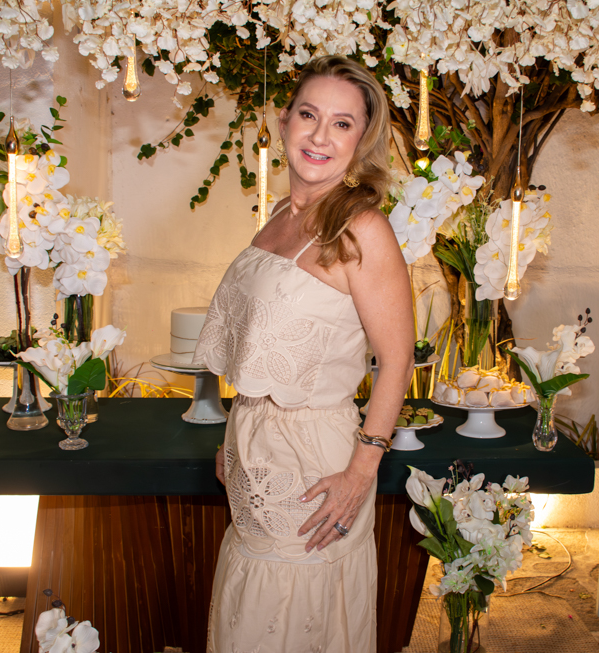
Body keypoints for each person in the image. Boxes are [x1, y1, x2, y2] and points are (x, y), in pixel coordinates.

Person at [192, 54, 414, 653]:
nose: (320, 136)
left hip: (316, 461)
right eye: (309, 116)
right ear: (284, 120)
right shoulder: (278, 217)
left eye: (342, 124)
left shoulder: (362, 228)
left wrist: (360, 472)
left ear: (361, 140)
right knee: (251, 614)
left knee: (294, 614)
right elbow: (263, 351)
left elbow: (397, 360)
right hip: (253, 452)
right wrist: (234, 438)